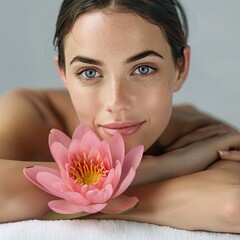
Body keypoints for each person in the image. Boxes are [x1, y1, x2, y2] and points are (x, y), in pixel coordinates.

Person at [0, 0, 240, 233]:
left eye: (143, 69)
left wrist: (94, 202)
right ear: (64, 74)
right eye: (89, 72)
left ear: (180, 68)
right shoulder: (31, 112)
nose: (116, 103)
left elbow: (233, 208)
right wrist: (162, 167)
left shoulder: (206, 138)